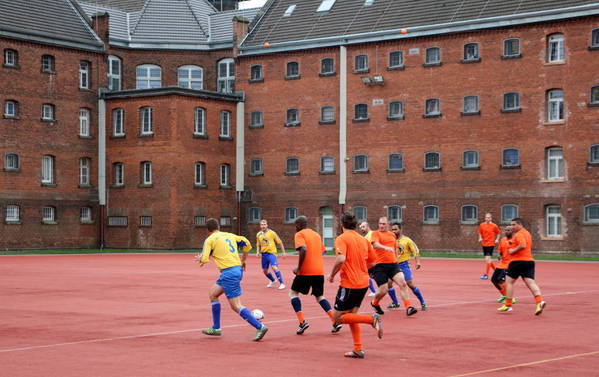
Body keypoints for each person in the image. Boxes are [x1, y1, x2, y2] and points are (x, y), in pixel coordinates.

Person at [195, 218, 268, 341]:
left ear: (207, 230)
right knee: (213, 294)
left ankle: (260, 326)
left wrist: (200, 258)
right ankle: (216, 328)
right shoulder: (230, 235)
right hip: (234, 271)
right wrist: (243, 260)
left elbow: (205, 259)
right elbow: (247, 244)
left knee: (236, 305)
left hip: (229, 273)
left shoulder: (210, 240)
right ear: (218, 227)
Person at [328, 213, 382, 359]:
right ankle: (358, 349)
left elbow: (340, 259)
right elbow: (372, 262)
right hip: (363, 283)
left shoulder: (342, 238)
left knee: (337, 318)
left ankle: (372, 320)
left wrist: (332, 274)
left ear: (342, 224)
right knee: (352, 316)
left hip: (349, 284)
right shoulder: (363, 240)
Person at [290, 216, 340, 334]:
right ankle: (334, 320)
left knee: (293, 293)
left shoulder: (299, 234)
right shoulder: (316, 235)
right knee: (320, 297)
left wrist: (299, 267)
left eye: (295, 225)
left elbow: (303, 249)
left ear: (298, 225)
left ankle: (302, 322)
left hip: (305, 271)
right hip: (319, 271)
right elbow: (323, 251)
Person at [370, 217, 417, 316]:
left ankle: (409, 307)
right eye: (380, 224)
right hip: (379, 266)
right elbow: (375, 245)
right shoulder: (375, 233)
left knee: (403, 283)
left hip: (393, 265)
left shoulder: (392, 235)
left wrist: (397, 260)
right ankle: (375, 303)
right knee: (383, 290)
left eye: (383, 224)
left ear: (388, 225)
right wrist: (385, 247)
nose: (381, 225)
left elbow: (395, 249)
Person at [498, 218, 546, 315]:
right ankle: (539, 301)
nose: (512, 227)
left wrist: (512, 250)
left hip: (517, 261)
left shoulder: (519, 234)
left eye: (514, 224)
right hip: (529, 261)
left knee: (509, 283)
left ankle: (508, 305)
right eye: (511, 224)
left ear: (520, 224)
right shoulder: (527, 233)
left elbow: (522, 245)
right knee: (530, 282)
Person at [389, 222, 426, 311]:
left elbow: (416, 251)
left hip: (403, 265)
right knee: (388, 283)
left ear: (400, 229)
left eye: (395, 229)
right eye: (392, 229)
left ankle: (422, 301)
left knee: (409, 283)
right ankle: (395, 302)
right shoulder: (390, 239)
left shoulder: (407, 240)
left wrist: (418, 262)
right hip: (393, 265)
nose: (393, 231)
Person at [256, 219, 286, 289]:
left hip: (272, 253)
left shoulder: (272, 233)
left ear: (267, 225)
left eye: (264, 224)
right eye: (262, 225)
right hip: (264, 254)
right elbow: (258, 244)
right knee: (265, 271)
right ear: (260, 226)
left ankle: (282, 283)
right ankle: (272, 280)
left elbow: (280, 242)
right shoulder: (258, 234)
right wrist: (257, 252)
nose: (263, 226)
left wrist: (283, 252)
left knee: (274, 267)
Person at [492, 226, 516, 304]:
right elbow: (500, 250)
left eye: (508, 230)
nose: (506, 232)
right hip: (502, 263)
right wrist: (499, 255)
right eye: (505, 230)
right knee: (494, 280)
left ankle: (510, 298)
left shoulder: (515, 240)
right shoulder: (502, 240)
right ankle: (504, 296)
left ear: (512, 231)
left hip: (509, 264)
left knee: (501, 280)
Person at [477, 213, 501, 280]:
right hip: (484, 244)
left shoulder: (494, 226)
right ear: (485, 218)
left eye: (489, 217)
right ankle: (497, 271)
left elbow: (498, 233)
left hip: (490, 244)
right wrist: (480, 238)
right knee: (488, 260)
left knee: (487, 259)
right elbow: (479, 232)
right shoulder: (482, 225)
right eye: (486, 217)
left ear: (491, 218)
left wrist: (497, 239)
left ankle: (486, 275)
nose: (487, 219)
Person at [359, 221, 377, 297]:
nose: (362, 229)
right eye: (361, 228)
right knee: (368, 276)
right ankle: (374, 291)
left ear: (368, 226)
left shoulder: (372, 234)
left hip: (373, 260)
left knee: (370, 276)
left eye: (363, 227)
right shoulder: (364, 237)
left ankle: (377, 290)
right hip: (368, 261)